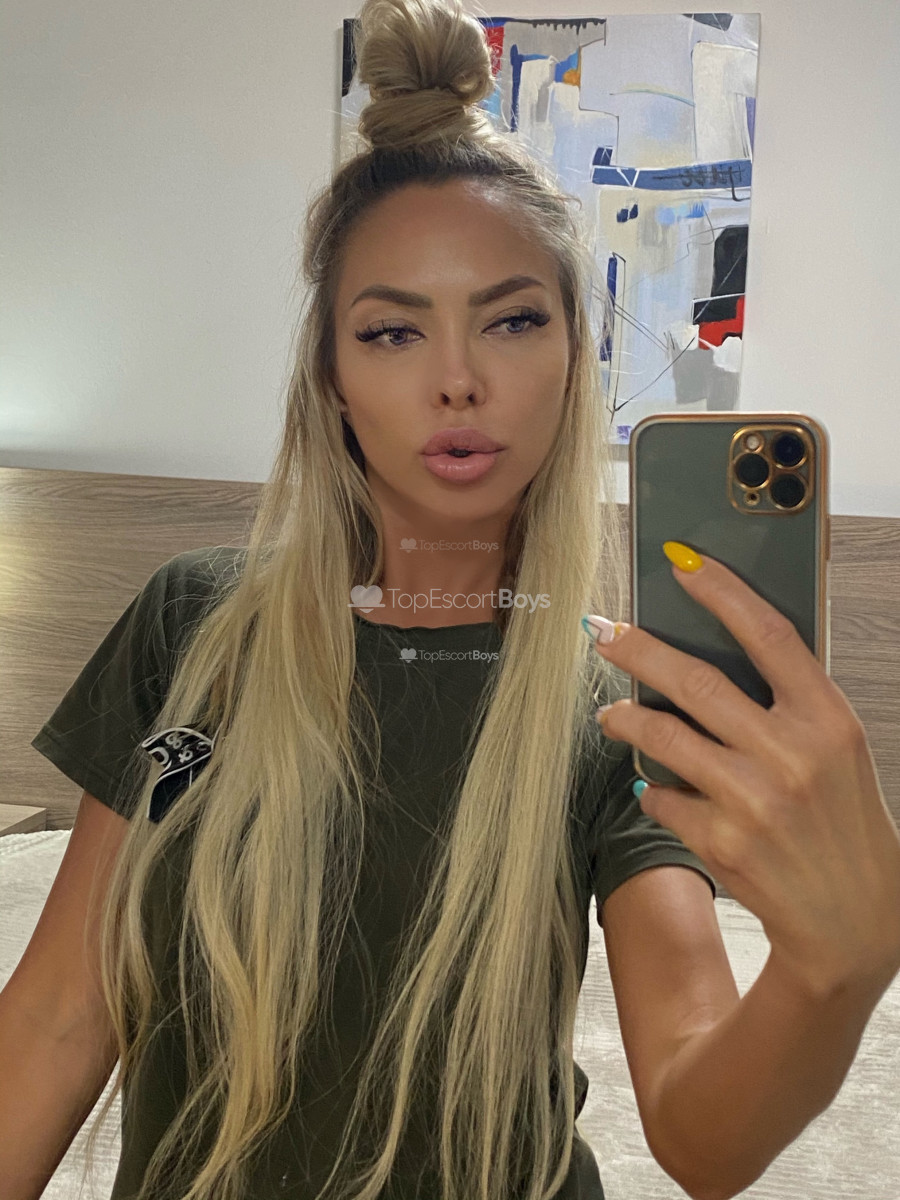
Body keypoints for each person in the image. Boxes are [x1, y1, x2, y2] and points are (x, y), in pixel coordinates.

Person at [8, 0, 900, 1198]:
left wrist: (833, 970)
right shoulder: (196, 629)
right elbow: (61, 1014)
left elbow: (701, 1133)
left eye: (513, 320)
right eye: (391, 332)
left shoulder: (619, 697)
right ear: (331, 375)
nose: (458, 380)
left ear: (573, 357)